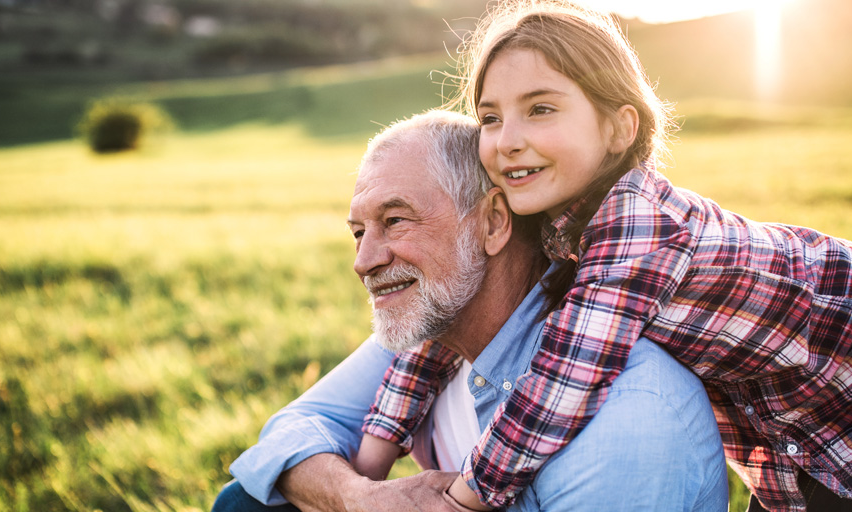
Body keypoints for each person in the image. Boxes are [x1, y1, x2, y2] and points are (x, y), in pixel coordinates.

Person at [357, 2, 852, 511]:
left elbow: (563, 382)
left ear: (620, 128)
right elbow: (443, 327)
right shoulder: (553, 214)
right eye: (491, 117)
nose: (507, 141)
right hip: (797, 434)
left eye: (540, 109)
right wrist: (370, 466)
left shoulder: (637, 226)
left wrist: (461, 498)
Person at [213, 110, 728, 511]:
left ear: (492, 223)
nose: (363, 261)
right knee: (244, 503)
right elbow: (288, 434)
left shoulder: (627, 416)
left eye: (395, 221)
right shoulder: (434, 329)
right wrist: (365, 500)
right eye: (358, 232)